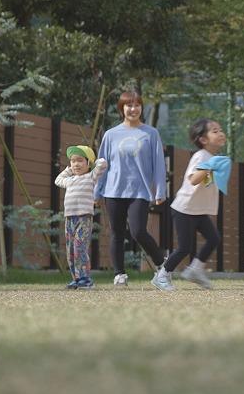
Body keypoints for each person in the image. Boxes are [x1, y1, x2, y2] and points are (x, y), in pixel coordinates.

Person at [94, 91, 168, 288]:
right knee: (117, 233)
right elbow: (101, 165)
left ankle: (163, 264)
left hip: (140, 191)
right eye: (129, 105)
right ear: (122, 108)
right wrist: (97, 192)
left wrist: (160, 190)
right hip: (113, 191)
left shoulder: (151, 134)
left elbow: (159, 164)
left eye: (136, 105)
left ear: (141, 108)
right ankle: (120, 275)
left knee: (138, 232)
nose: (133, 109)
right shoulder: (110, 135)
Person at [153, 119, 228, 291]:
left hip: (198, 210)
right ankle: (162, 276)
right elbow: (193, 180)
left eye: (220, 130)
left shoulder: (212, 158)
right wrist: (210, 167)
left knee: (214, 238)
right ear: (203, 140)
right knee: (184, 247)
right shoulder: (201, 156)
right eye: (215, 131)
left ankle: (195, 270)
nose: (221, 133)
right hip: (184, 209)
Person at [55, 145, 108, 289]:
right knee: (70, 250)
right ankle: (76, 278)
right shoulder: (69, 180)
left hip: (84, 218)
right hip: (69, 219)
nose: (76, 164)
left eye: (80, 160)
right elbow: (57, 180)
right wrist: (68, 170)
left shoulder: (90, 177)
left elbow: (102, 164)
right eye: (73, 161)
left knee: (80, 249)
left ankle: (85, 279)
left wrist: (94, 160)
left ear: (88, 163)